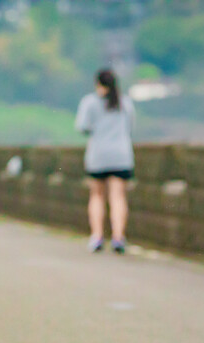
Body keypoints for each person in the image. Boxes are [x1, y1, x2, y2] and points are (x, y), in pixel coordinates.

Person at [75, 69, 136, 254]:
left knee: (97, 195)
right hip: (121, 155)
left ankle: (97, 236)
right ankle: (118, 237)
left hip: (98, 155)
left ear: (98, 84)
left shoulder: (90, 102)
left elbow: (82, 126)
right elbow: (130, 126)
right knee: (118, 196)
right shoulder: (125, 102)